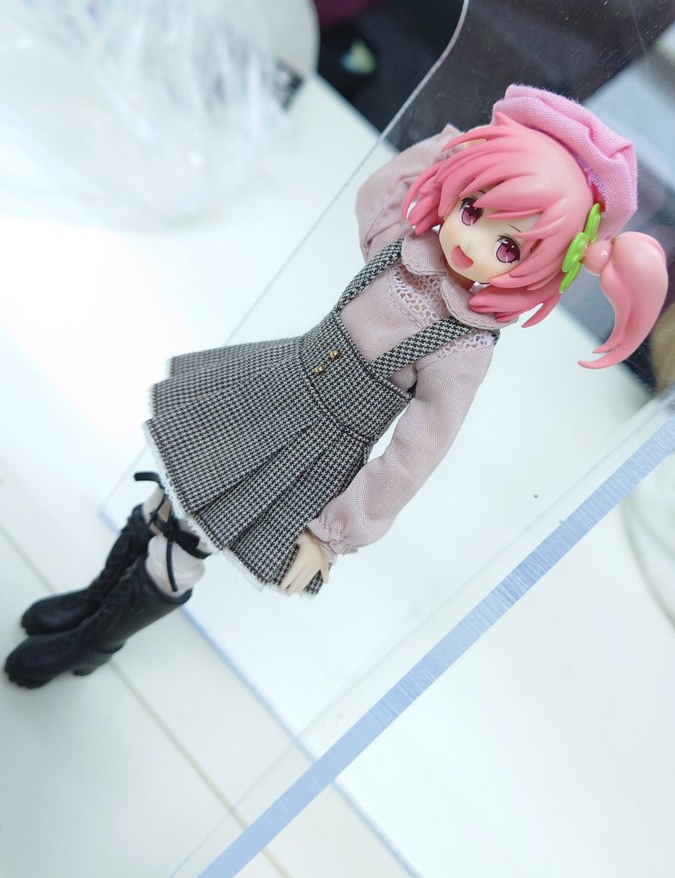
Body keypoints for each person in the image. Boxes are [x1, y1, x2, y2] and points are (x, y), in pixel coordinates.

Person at [5, 85, 668, 689]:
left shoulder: (464, 348)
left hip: (310, 452)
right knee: (167, 498)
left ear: (548, 267)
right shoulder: (402, 245)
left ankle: (92, 643)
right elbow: (377, 192)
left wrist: (334, 532)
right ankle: (92, 603)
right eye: (473, 209)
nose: (473, 243)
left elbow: (414, 454)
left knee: (188, 541)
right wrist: (454, 149)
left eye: (510, 248)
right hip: (270, 384)